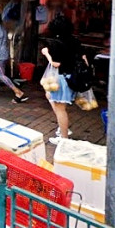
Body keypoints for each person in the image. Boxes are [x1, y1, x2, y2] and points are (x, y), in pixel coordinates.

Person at [41, 15, 87, 145]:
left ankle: (64, 138)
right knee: (49, 95)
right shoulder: (75, 41)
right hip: (72, 78)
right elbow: (84, 58)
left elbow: (55, 63)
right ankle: (63, 127)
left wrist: (46, 54)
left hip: (61, 79)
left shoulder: (56, 43)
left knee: (60, 108)